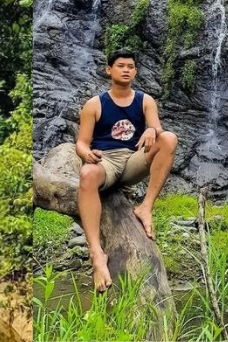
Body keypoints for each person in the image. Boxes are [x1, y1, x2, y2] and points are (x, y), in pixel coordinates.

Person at [76, 47, 178, 292]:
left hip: (134, 158)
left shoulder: (145, 101)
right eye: (121, 65)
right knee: (87, 174)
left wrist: (153, 129)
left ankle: (146, 207)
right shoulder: (95, 104)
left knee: (170, 139)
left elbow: (158, 130)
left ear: (136, 71)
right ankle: (96, 253)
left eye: (130, 66)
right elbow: (81, 142)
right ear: (109, 70)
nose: (126, 70)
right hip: (106, 161)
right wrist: (85, 153)